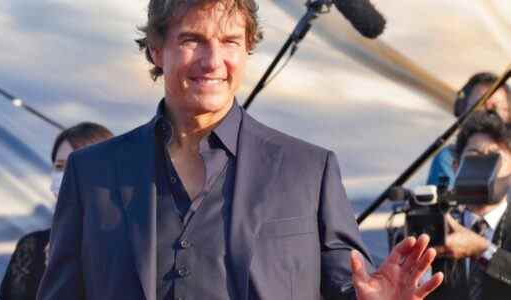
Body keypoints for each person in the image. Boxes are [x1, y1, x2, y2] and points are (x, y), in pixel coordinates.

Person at [37, 1, 443, 299]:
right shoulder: (92, 173)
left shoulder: (309, 170)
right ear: (157, 51)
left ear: (247, 50)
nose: (213, 61)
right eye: (193, 40)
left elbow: (345, 286)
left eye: (230, 41)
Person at [0, 122, 113, 300]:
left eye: (78, 165)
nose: (66, 175)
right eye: (59, 166)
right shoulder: (32, 246)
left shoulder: (131, 246)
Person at [431, 111, 511, 299]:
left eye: (494, 156)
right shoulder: (439, 224)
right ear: (456, 166)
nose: (483, 163)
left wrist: (483, 250)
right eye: (473, 154)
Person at [427, 72, 511, 186]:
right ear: (463, 109)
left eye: (495, 109)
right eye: (480, 106)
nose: (487, 116)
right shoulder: (449, 158)